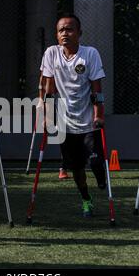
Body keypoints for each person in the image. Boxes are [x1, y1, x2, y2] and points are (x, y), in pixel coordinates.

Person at [41, 13, 107, 218]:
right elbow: (48, 89)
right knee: (77, 169)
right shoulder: (51, 53)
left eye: (69, 29)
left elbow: (97, 88)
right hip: (66, 123)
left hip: (88, 122)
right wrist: (48, 116)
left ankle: (102, 180)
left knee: (96, 162)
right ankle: (86, 200)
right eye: (61, 30)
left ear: (79, 33)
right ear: (56, 34)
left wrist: (99, 115)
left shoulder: (90, 54)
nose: (65, 33)